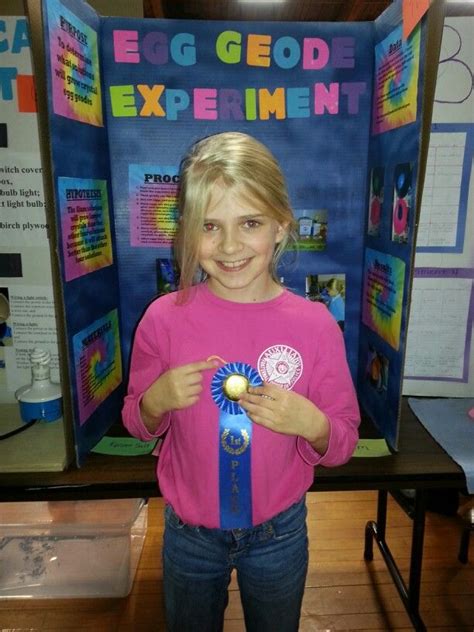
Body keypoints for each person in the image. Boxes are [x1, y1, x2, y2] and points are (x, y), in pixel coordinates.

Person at [122, 131, 360, 632]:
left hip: (279, 534)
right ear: (188, 232)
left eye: (249, 223)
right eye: (209, 226)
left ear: (281, 226)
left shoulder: (316, 325)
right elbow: (136, 422)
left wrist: (312, 424)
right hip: (188, 534)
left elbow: (343, 441)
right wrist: (154, 402)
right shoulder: (163, 319)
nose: (229, 246)